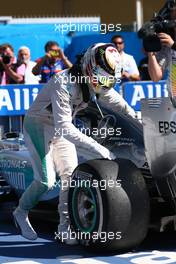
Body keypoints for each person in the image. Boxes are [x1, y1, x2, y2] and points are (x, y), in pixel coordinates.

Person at [13, 43, 136, 245]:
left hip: (60, 126)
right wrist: (99, 149)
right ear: (90, 67)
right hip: (39, 125)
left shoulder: (94, 80)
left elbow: (116, 100)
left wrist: (137, 119)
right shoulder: (64, 81)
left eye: (108, 79)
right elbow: (64, 128)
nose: (105, 83)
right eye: (103, 78)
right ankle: (21, 211)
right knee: (46, 181)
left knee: (70, 175)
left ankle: (65, 227)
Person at [148, 2, 176, 104]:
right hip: (174, 102)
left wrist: (173, 45)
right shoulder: (167, 44)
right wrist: (151, 52)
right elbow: (156, 77)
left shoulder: (171, 43)